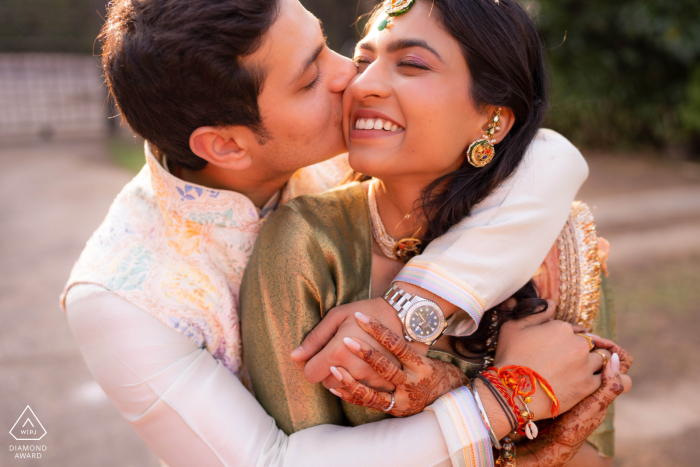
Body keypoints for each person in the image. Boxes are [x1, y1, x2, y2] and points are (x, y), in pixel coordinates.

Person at [61, 0, 627, 465]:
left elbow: (545, 157)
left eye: (329, 46)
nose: (351, 78)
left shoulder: (356, 144)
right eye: (310, 78)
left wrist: (413, 306)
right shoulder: (121, 298)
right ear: (227, 146)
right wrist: (506, 399)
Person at [240, 0, 631, 465]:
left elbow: (596, 456)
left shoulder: (561, 250)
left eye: (410, 63)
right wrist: (514, 393)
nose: (362, 84)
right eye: (363, 61)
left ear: (493, 120)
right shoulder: (305, 243)